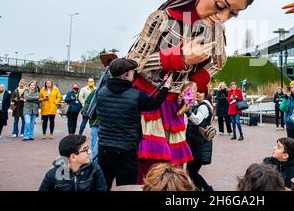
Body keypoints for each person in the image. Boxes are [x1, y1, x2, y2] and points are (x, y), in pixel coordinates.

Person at [128, 0, 255, 180]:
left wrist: (196, 82)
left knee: (175, 171)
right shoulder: (163, 18)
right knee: (147, 169)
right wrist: (179, 57)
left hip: (176, 108)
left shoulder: (216, 29)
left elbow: (219, 61)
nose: (222, 17)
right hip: (146, 104)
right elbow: (134, 62)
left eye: (232, 14)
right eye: (220, 5)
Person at [96, 58, 172, 190]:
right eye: (132, 72)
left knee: (103, 186)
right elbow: (154, 105)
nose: (133, 75)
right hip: (126, 151)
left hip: (104, 149)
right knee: (127, 188)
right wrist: (166, 87)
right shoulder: (136, 95)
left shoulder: (101, 92)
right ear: (126, 75)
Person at [39, 135, 107, 191]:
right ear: (73, 157)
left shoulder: (94, 168)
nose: (89, 152)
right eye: (85, 150)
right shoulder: (52, 175)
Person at [185, 92, 214, 191]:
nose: (197, 94)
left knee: (191, 172)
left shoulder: (204, 107)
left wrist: (188, 112)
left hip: (199, 144)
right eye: (196, 92)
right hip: (196, 143)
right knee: (191, 172)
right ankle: (206, 189)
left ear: (205, 95)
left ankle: (206, 189)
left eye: (200, 92)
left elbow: (197, 120)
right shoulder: (199, 105)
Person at [81, 89, 99, 160]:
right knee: (94, 144)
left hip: (108, 123)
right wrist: (85, 110)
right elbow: (88, 102)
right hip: (96, 122)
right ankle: (94, 163)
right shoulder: (96, 91)